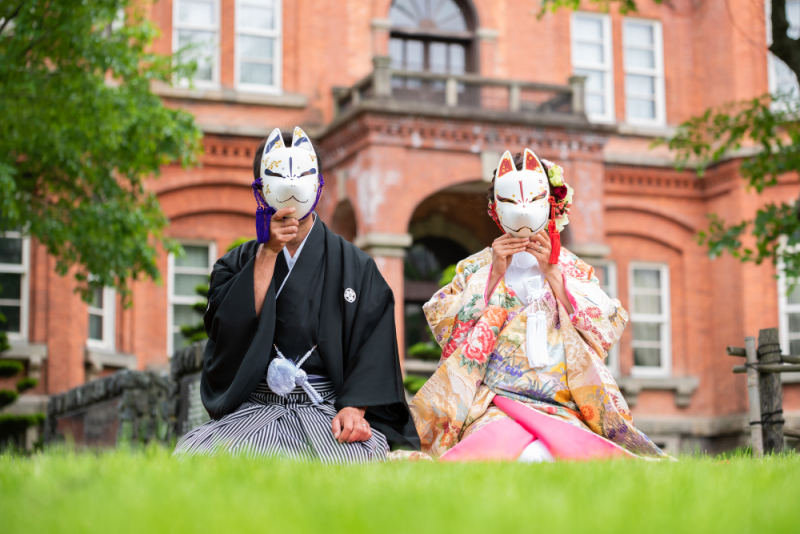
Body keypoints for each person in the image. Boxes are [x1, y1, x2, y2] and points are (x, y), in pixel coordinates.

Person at [174, 127, 419, 462]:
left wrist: (353, 408)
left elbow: (373, 346)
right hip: (255, 408)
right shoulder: (236, 264)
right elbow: (228, 333)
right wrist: (268, 253)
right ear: (261, 189)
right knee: (197, 458)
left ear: (318, 184)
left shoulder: (356, 266)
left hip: (326, 410)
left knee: (352, 462)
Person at [409, 148, 669, 461]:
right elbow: (443, 322)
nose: (522, 209)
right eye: (509, 201)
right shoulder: (476, 268)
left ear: (551, 205)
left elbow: (606, 325)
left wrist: (554, 275)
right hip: (493, 401)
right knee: (506, 457)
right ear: (495, 209)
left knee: (555, 456)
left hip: (561, 401)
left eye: (532, 199)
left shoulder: (572, 269)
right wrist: (493, 275)